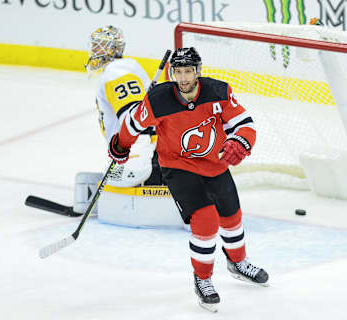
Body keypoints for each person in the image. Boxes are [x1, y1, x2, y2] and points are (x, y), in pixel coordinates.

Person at [107, 47, 269, 312]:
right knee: (206, 220)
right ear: (172, 73)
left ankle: (238, 263)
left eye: (188, 71)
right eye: (178, 71)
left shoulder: (219, 92)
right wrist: (121, 145)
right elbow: (133, 124)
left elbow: (245, 124)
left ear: (198, 71)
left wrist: (241, 140)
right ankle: (203, 280)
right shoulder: (158, 100)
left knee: (232, 216)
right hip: (177, 166)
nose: (183, 78)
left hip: (214, 163)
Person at [74, 26, 172, 221]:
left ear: (112, 49)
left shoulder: (116, 72)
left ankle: (158, 178)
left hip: (144, 149)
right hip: (143, 147)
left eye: (99, 47)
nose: (94, 51)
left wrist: (135, 155)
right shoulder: (123, 68)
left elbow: (136, 119)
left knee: (119, 180)